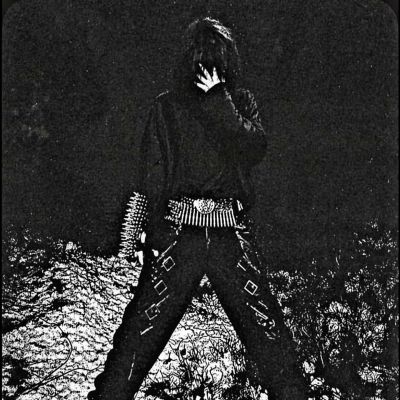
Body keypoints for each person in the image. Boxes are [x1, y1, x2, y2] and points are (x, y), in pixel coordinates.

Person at [88, 17, 308, 400]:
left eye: (214, 58)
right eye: (202, 58)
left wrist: (219, 101)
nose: (208, 66)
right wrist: (138, 237)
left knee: (267, 330)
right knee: (142, 330)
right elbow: (151, 175)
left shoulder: (240, 102)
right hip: (179, 235)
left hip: (229, 234)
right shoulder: (166, 107)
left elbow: (255, 148)